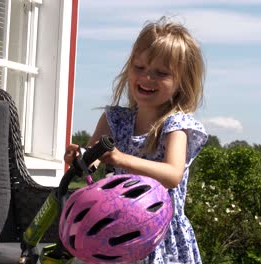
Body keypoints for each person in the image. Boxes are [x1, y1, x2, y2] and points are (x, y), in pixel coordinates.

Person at [65, 16, 208, 264]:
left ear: (181, 83)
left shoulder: (175, 126)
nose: (147, 78)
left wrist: (122, 159)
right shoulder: (114, 119)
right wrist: (82, 157)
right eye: (139, 68)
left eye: (161, 73)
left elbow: (172, 174)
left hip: (158, 232)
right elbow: (94, 158)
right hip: (116, 230)